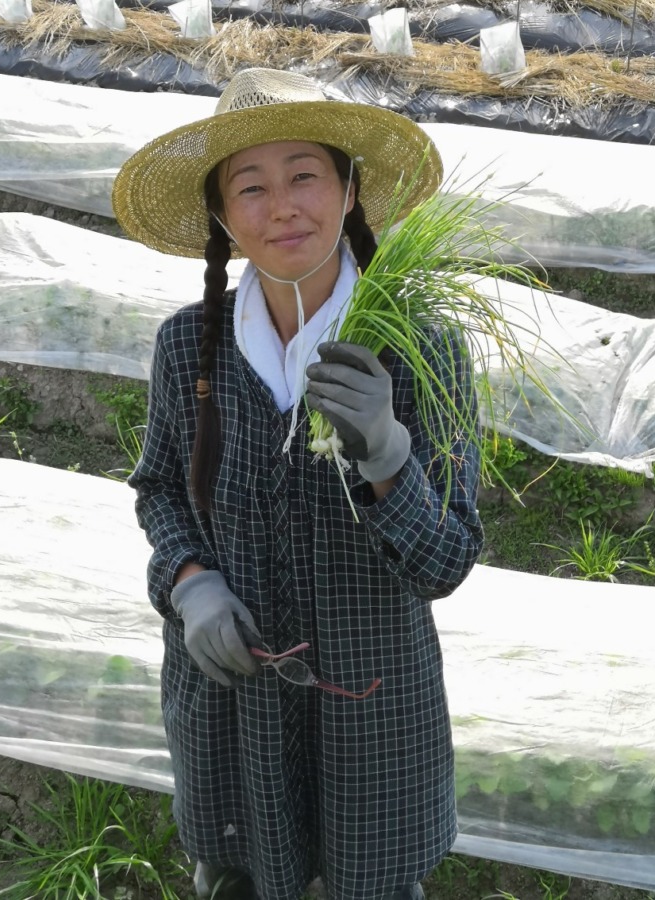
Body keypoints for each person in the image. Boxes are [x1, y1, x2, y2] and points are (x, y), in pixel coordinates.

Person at [113, 67, 484, 900]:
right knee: (236, 876)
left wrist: (387, 454)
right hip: (230, 691)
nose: (281, 205)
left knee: (371, 881)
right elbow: (160, 490)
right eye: (251, 186)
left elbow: (447, 559)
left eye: (304, 175)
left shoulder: (421, 347)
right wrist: (191, 582)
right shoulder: (189, 348)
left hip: (371, 700)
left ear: (350, 191)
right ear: (220, 215)